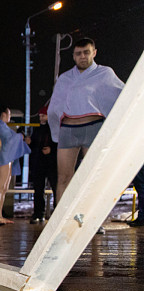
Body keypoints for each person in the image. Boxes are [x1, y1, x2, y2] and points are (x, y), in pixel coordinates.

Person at [48, 37, 124, 205]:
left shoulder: (105, 74)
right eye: (78, 53)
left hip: (93, 127)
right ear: (74, 56)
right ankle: (59, 222)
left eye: (86, 52)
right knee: (63, 177)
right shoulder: (65, 78)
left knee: (92, 178)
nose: (82, 56)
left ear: (94, 53)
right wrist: (56, 132)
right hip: (68, 129)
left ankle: (90, 221)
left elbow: (123, 96)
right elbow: (54, 107)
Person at [0, 107, 30, 224]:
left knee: (3, 188)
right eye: (9, 114)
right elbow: (9, 139)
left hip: (6, 159)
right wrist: (20, 137)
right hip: (2, 159)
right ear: (3, 114)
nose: (10, 116)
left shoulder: (2, 126)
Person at [29, 105, 58, 224]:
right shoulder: (37, 129)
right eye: (40, 116)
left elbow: (58, 144)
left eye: (43, 116)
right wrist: (30, 143)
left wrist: (51, 150)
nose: (41, 118)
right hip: (39, 164)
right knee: (38, 189)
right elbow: (35, 145)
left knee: (56, 189)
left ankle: (56, 213)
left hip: (51, 164)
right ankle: (38, 213)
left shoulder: (55, 129)